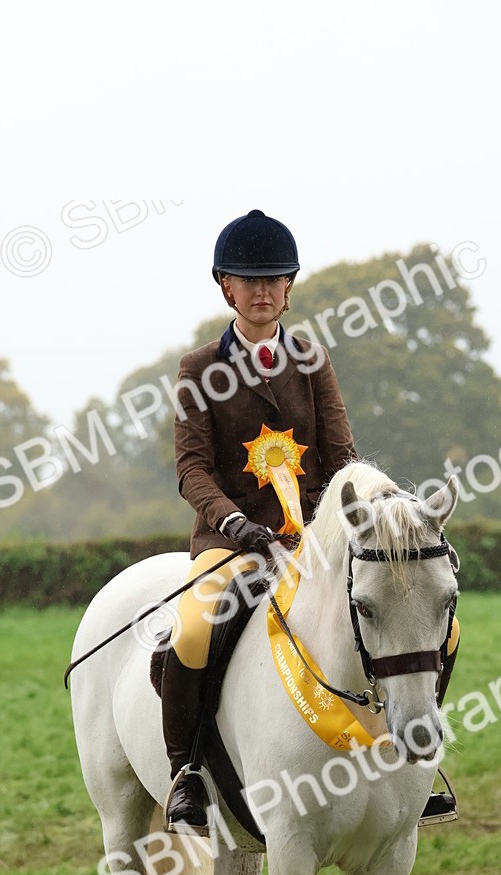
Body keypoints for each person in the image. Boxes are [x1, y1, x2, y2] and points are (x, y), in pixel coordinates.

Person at [161, 208, 459, 835]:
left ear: (289, 287)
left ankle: (415, 761)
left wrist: (344, 524)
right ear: (226, 287)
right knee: (192, 631)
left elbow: (342, 459)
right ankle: (185, 772)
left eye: (274, 279)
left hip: (316, 543)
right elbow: (192, 471)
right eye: (250, 280)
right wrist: (239, 526)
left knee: (441, 632)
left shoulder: (311, 360)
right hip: (233, 541)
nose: (263, 291)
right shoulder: (197, 369)